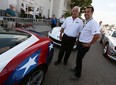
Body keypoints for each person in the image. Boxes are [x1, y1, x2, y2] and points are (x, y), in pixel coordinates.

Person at [70, 6, 100, 80]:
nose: (86, 13)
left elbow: (97, 35)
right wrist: (78, 40)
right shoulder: (87, 21)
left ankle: (77, 75)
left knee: (79, 59)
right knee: (78, 58)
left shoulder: (93, 22)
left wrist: (89, 44)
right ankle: (76, 68)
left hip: (84, 45)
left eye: (88, 12)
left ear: (92, 13)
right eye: (85, 12)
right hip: (81, 43)